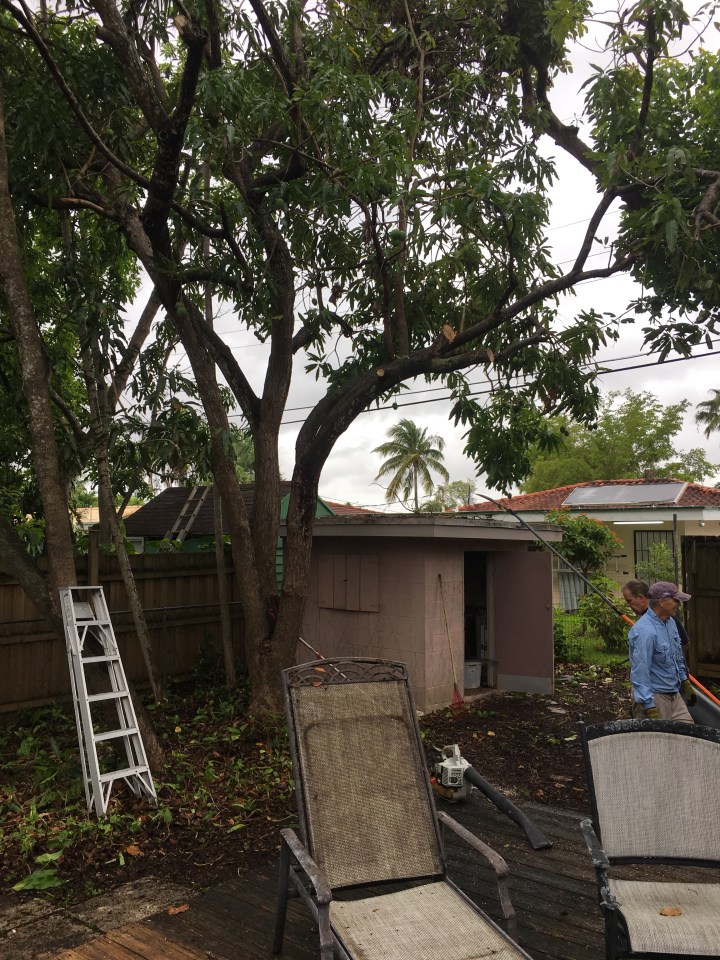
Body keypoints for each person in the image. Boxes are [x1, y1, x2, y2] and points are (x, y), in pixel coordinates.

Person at [627, 581, 696, 722]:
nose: (678, 604)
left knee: (688, 730)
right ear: (662, 602)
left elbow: (677, 655)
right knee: (658, 736)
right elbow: (640, 671)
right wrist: (649, 707)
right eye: (675, 600)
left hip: (674, 693)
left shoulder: (670, 622)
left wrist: (685, 682)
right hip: (654, 697)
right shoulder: (645, 631)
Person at [622, 579, 690, 654]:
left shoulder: (668, 618)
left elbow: (684, 643)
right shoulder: (642, 627)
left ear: (640, 598)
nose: (628, 605)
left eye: (629, 600)